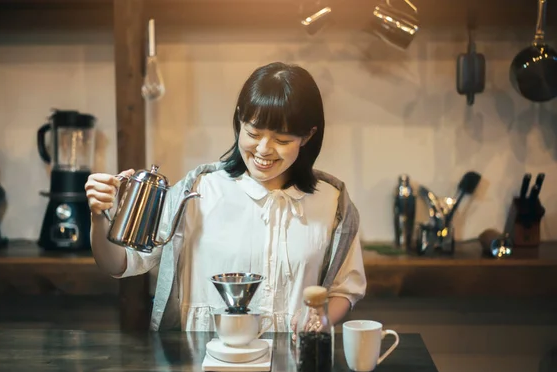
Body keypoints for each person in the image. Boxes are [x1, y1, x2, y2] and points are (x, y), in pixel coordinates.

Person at [85, 62, 367, 336]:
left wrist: (321, 319)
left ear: (307, 136)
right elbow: (119, 264)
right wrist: (99, 216)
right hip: (202, 367)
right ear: (238, 120)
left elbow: (344, 287)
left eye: (282, 140)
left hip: (291, 366)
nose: (264, 150)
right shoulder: (198, 190)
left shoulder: (332, 202)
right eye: (253, 133)